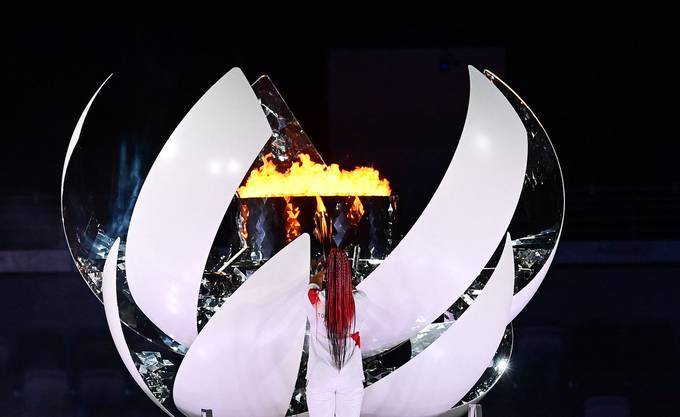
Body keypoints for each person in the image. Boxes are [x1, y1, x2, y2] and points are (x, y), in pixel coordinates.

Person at [305, 248, 365, 417]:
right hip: (351, 377)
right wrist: (343, 279)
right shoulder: (361, 300)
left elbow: (313, 282)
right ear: (348, 274)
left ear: (326, 274)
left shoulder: (313, 299)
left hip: (320, 375)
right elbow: (349, 292)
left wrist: (321, 276)